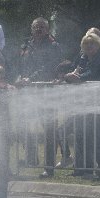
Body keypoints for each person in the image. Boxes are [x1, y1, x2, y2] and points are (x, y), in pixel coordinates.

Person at [15, 17, 63, 177]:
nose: (39, 29)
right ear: (31, 29)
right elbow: (21, 64)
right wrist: (19, 77)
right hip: (27, 92)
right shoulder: (26, 45)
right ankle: (30, 158)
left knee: (49, 129)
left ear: (47, 29)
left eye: (42, 27)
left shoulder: (53, 45)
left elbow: (49, 66)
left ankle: (49, 168)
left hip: (46, 92)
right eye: (36, 27)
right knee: (21, 123)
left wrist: (32, 78)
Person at [66, 32, 100, 178]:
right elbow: (75, 72)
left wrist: (77, 78)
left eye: (92, 43)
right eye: (86, 44)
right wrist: (70, 76)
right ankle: (82, 169)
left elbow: (93, 74)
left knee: (99, 138)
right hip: (84, 105)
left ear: (98, 44)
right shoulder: (83, 59)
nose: (89, 46)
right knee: (81, 136)